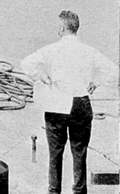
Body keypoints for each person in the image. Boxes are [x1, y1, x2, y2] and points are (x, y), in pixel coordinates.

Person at [21, 10, 118, 194]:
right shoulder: (89, 51)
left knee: (55, 154)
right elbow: (113, 70)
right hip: (81, 104)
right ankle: (79, 191)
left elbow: (26, 64)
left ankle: (54, 191)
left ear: (61, 27)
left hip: (56, 104)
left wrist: (41, 76)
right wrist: (95, 82)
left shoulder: (50, 49)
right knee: (79, 153)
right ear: (76, 28)